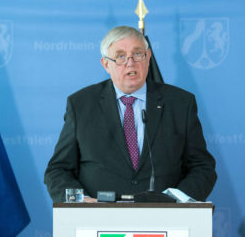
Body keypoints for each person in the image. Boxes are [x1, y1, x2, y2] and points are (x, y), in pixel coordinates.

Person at [44, 26, 217, 202]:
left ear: (148, 57)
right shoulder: (81, 105)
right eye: (120, 56)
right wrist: (81, 201)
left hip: (164, 219)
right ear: (106, 64)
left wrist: (176, 201)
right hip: (99, 220)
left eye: (137, 54)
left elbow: (202, 167)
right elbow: (58, 170)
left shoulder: (180, 103)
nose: (130, 63)